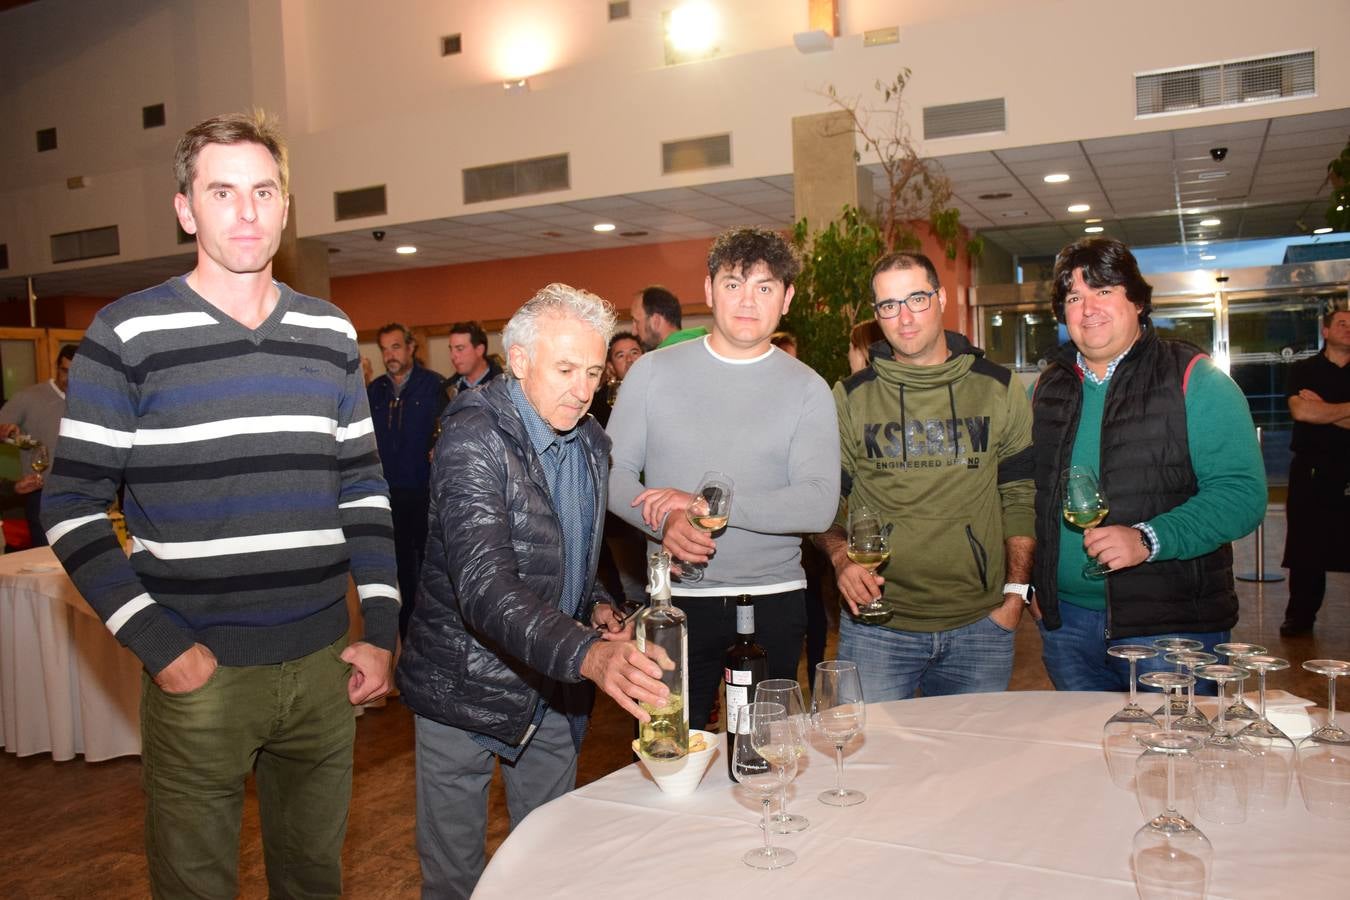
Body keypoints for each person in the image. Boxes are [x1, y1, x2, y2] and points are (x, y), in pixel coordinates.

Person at [40, 111, 399, 899]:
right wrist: (161, 644)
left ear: (285, 204)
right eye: (222, 191)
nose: (246, 211)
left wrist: (380, 633)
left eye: (263, 191)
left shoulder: (331, 332)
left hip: (322, 666)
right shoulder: (126, 333)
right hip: (199, 671)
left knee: (314, 881)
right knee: (194, 886)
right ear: (185, 208)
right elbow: (69, 506)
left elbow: (364, 490)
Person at [397, 283, 667, 900]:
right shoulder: (473, 439)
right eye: (566, 368)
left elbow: (575, 548)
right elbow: (484, 587)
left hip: (550, 685)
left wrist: (598, 603)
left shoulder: (591, 442)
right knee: (455, 878)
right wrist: (589, 654)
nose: (582, 387)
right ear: (519, 362)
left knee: (551, 866)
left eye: (594, 372)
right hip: (462, 688)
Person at [607, 227, 839, 729]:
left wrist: (704, 505)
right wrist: (665, 520)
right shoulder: (650, 373)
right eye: (734, 284)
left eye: (765, 287)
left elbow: (819, 503)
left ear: (787, 298)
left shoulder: (808, 388)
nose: (748, 301)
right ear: (709, 290)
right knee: (667, 752)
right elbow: (611, 475)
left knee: (764, 757)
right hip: (674, 603)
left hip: (773, 598)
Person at [1030, 237, 1267, 690]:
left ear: (1137, 300)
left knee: (1173, 758)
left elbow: (1242, 494)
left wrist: (1147, 539)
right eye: (1074, 297)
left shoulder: (1194, 378)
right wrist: (1032, 587)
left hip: (1172, 629)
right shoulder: (1046, 388)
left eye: (1103, 290)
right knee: (1083, 756)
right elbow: (1027, 496)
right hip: (1067, 629)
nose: (1088, 308)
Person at [814, 253, 1035, 701]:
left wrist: (1015, 596)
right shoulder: (850, 398)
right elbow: (823, 502)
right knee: (869, 764)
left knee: (972, 766)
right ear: (877, 315)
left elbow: (1020, 495)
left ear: (941, 298)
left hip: (981, 626)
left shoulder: (998, 387)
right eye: (889, 305)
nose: (905, 317)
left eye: (916, 298)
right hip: (878, 627)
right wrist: (840, 558)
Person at [368, 323, 444, 636]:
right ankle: (408, 638)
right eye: (385, 349)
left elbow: (447, 432)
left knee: (431, 568)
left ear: (411, 347)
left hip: (424, 493)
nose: (390, 355)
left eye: (396, 347)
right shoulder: (375, 391)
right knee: (400, 571)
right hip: (389, 496)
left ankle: (437, 633)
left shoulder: (433, 386)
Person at [1279, 305, 1350, 636]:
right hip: (1311, 469)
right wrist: (1325, 410)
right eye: (1341, 323)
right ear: (1325, 331)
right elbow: (1301, 412)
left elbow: (1314, 411)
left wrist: (1323, 408)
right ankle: (1300, 616)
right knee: (1306, 546)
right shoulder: (1303, 369)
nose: (1347, 329)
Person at [0, 343, 75, 546]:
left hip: (82, 492)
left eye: (75, 372)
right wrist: (7, 431)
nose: (68, 378)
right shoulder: (28, 397)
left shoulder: (90, 400)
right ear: (56, 368)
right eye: (64, 371)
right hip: (41, 493)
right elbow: (4, 430)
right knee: (45, 557)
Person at [630, 284, 706, 350]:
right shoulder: (705, 347)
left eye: (636, 322)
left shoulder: (659, 362)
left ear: (656, 321)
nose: (634, 332)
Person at [442, 320, 502, 400]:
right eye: (451, 349)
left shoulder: (505, 385)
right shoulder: (448, 390)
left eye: (460, 349)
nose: (452, 356)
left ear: (479, 350)